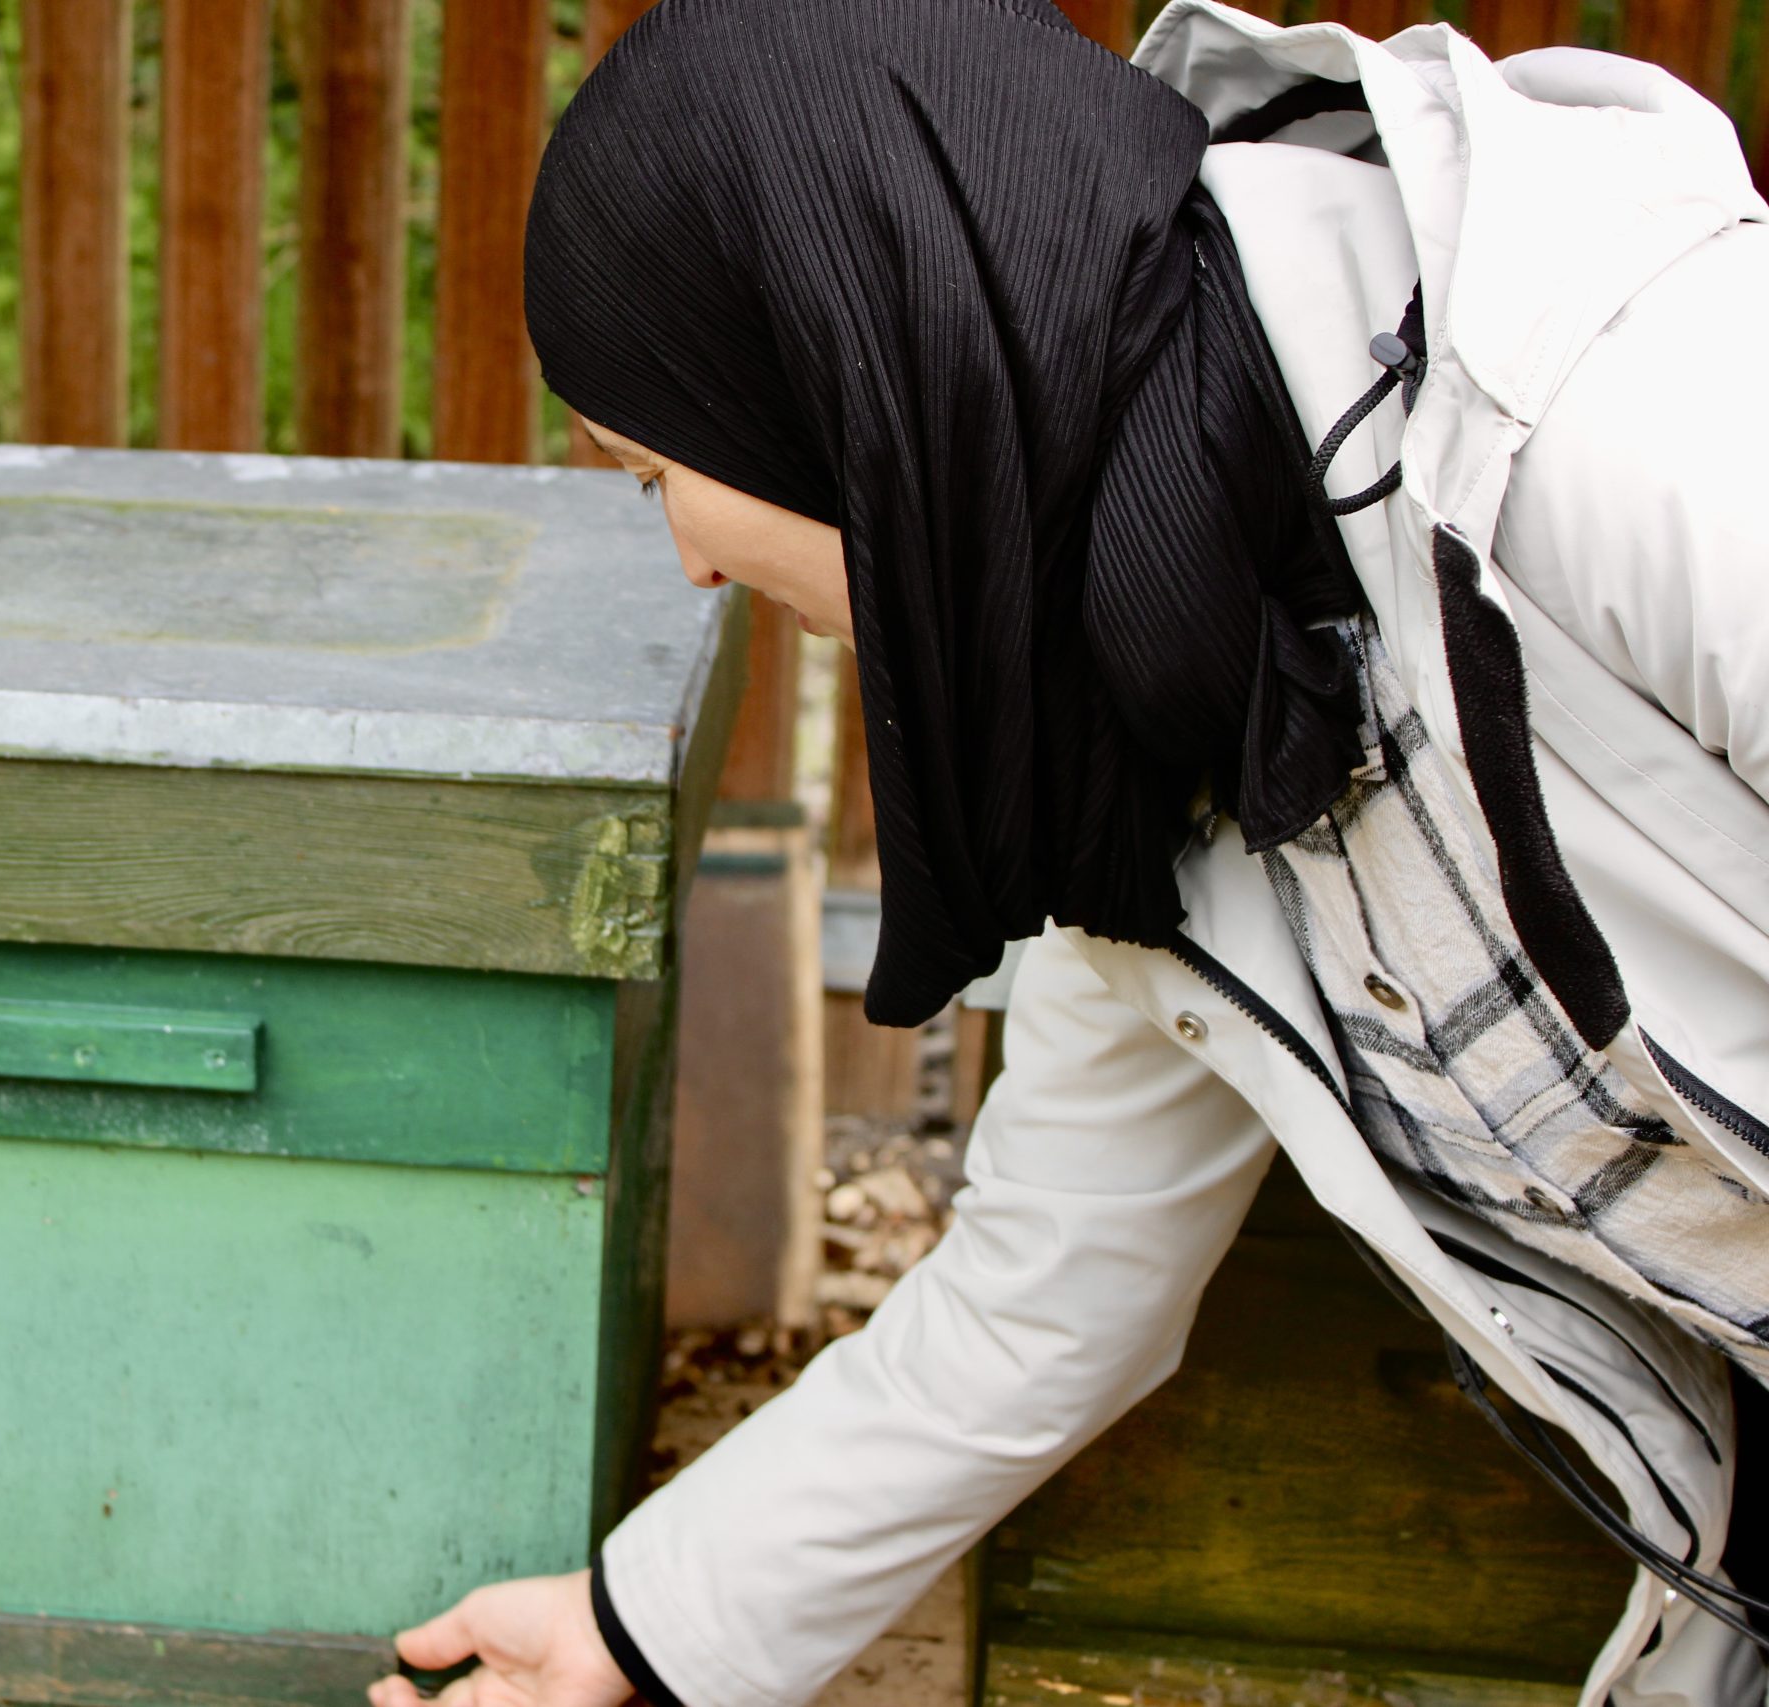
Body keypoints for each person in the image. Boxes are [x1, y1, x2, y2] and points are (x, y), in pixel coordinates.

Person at [363, 2, 1769, 1704]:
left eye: (659, 468)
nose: (686, 564)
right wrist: (633, 1631)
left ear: (837, 370)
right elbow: (1054, 1292)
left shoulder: (1612, 404)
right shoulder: (1141, 747)